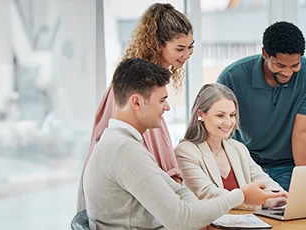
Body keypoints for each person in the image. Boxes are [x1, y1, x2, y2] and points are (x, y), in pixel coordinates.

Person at [83, 58, 284, 229]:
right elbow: (182, 219)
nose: (167, 107)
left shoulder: (120, 143)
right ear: (136, 102)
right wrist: (240, 195)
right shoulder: (125, 150)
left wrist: (188, 208)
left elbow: (179, 192)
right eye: (161, 100)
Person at [78, 3, 194, 212]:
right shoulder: (135, 87)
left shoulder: (153, 86)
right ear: (158, 45)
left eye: (190, 47)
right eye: (179, 49)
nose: (186, 55)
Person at [216, 21, 306, 191]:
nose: (287, 72)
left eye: (295, 65)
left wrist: (304, 182)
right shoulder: (231, 77)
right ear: (265, 53)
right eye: (280, 65)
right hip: (245, 164)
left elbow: (303, 131)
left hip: (287, 166)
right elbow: (219, 129)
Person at [175, 83, 288, 210]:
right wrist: (261, 203)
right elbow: (207, 194)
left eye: (232, 115)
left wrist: (281, 196)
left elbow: (263, 180)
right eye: (220, 115)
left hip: (244, 219)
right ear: (200, 114)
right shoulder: (185, 152)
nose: (228, 122)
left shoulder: (238, 148)